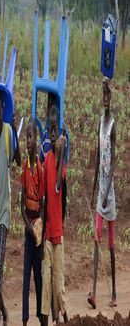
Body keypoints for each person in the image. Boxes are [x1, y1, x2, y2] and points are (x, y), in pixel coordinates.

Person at [0, 91, 21, 326]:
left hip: (4, 214)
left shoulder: (8, 132)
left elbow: (17, 161)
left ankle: (1, 318)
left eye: (0, 115)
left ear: (4, 114)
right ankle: (4, 312)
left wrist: (16, 133)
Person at [88, 77, 117, 309]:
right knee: (96, 238)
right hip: (101, 192)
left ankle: (115, 293)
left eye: (108, 96)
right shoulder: (99, 122)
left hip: (111, 192)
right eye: (103, 96)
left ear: (111, 99)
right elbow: (98, 158)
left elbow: (113, 162)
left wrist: (107, 190)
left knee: (111, 244)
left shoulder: (113, 124)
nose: (105, 100)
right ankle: (94, 291)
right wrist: (94, 189)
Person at [41, 105, 68, 325]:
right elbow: (45, 198)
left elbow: (59, 185)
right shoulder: (47, 160)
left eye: (54, 129)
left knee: (59, 283)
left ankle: (64, 315)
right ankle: (52, 317)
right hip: (48, 231)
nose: (51, 133)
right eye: (49, 128)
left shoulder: (60, 163)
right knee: (47, 280)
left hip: (58, 231)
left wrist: (62, 154)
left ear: (58, 131)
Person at [20, 118, 44, 326]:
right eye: (26, 137)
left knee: (39, 278)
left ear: (37, 140)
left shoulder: (40, 170)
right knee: (26, 278)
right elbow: (20, 204)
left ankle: (41, 315)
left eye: (31, 137)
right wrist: (27, 224)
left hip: (37, 235)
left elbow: (42, 204)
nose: (27, 141)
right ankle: (25, 319)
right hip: (28, 233)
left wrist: (39, 232)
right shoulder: (25, 168)